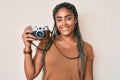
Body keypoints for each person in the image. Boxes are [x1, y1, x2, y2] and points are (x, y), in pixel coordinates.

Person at [22, 2, 94, 80]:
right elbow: (30, 75)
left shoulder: (86, 48)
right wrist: (27, 47)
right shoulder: (46, 43)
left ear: (75, 20)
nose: (64, 23)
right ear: (56, 22)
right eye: (59, 20)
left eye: (68, 18)